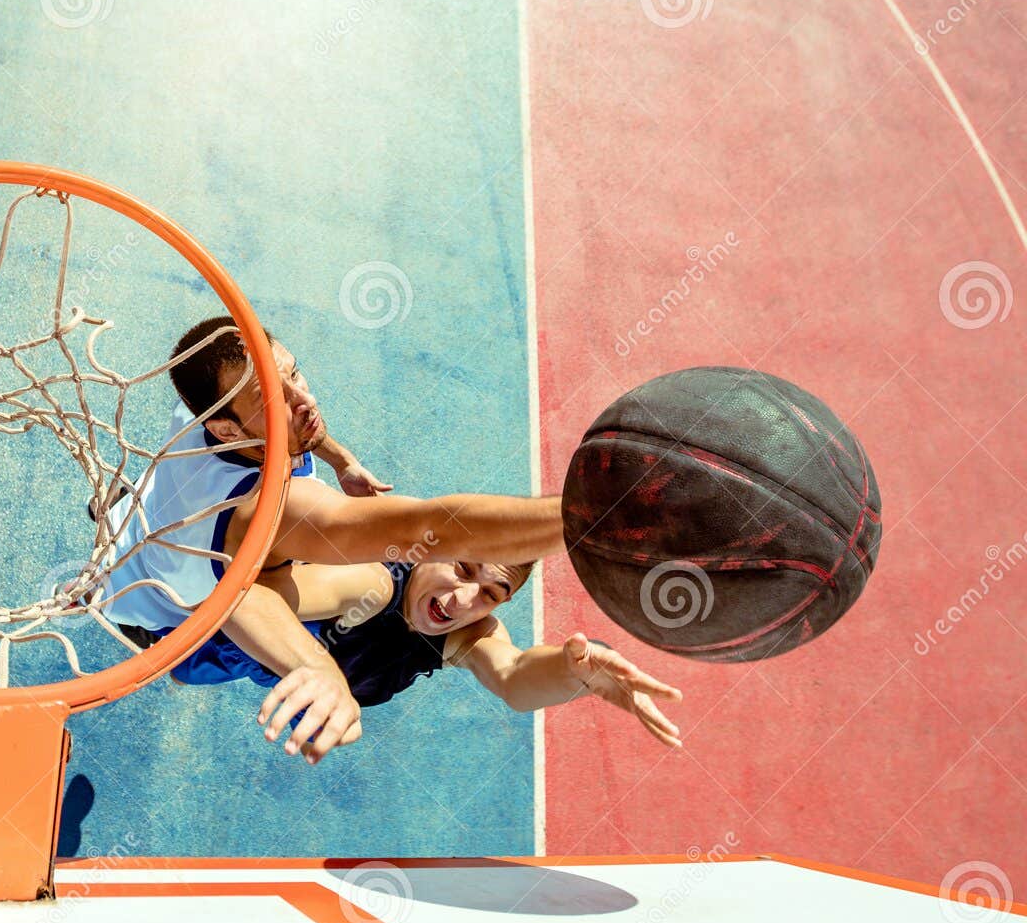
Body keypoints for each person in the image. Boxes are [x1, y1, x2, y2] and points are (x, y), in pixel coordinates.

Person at [102, 316, 570, 763]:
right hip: (144, 599)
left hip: (154, 513)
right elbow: (426, 526)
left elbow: (513, 676)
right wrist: (585, 519)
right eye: (272, 399)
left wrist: (338, 458)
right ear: (226, 429)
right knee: (195, 660)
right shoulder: (269, 512)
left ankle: (122, 510)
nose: (302, 399)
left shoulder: (207, 401)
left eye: (294, 375)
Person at [169, 558, 684, 760]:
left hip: (239, 664)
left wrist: (580, 672)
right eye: (463, 568)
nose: (462, 599)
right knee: (150, 627)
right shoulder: (370, 582)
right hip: (193, 622)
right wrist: (325, 674)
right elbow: (242, 596)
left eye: (489, 593)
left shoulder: (464, 631)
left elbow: (513, 678)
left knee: (184, 672)